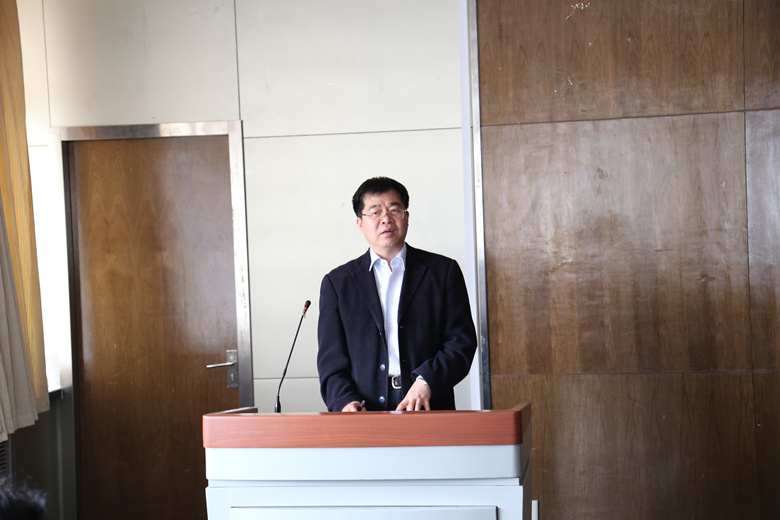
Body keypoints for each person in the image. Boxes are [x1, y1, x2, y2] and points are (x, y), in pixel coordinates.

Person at [317, 177, 477, 412]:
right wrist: (345, 401)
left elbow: (461, 343)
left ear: (407, 217)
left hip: (428, 406)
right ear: (360, 223)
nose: (386, 219)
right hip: (363, 413)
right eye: (375, 212)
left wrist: (426, 381)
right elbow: (331, 360)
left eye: (394, 210)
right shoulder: (338, 284)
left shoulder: (443, 272)